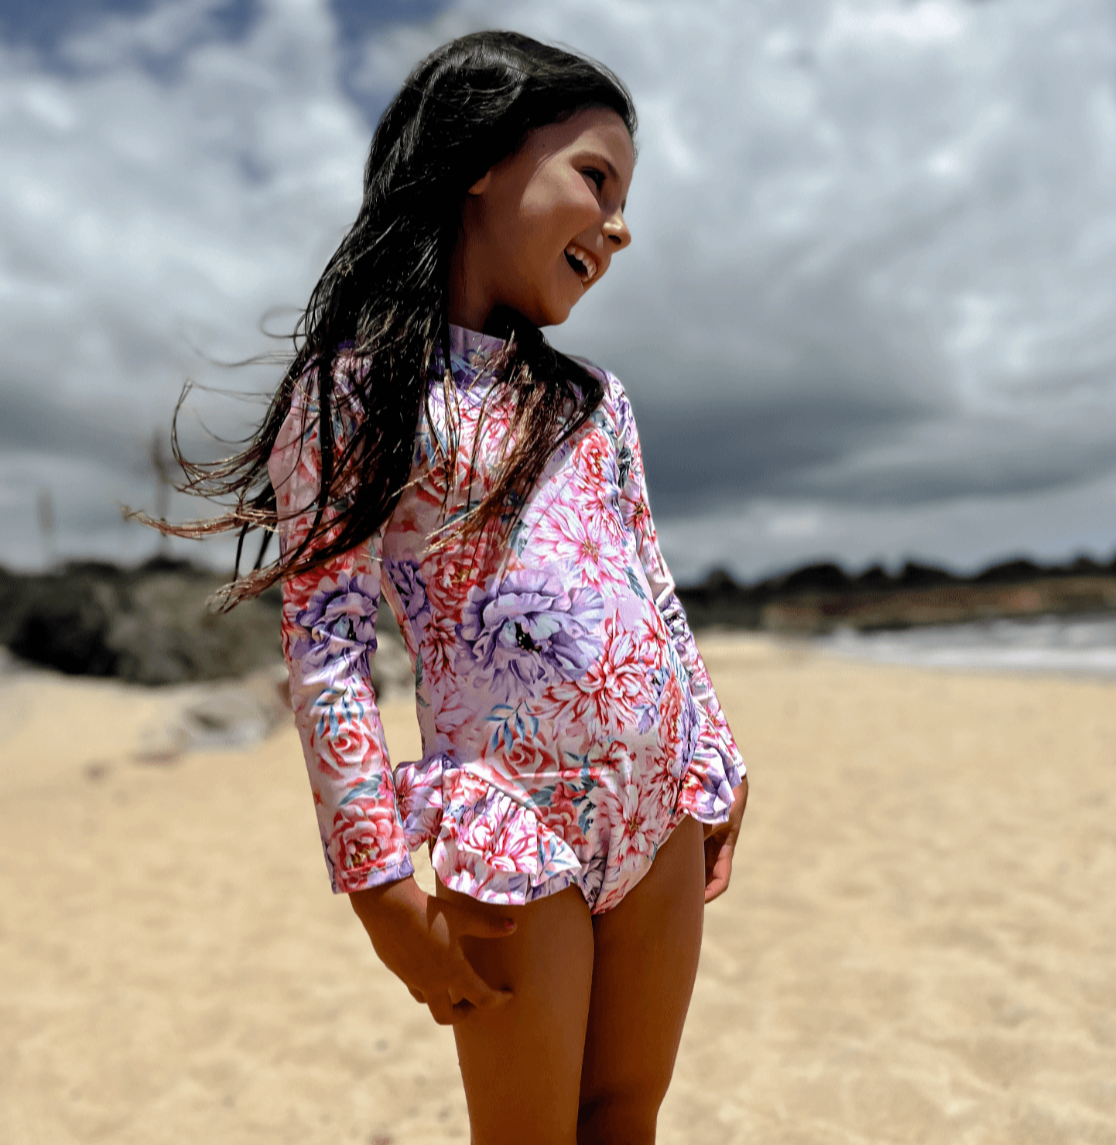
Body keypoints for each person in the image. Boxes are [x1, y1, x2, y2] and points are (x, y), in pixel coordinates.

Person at [172, 30, 747, 1145]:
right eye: (597, 179)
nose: (620, 226)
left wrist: (718, 755)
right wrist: (379, 875)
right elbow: (327, 643)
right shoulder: (356, 394)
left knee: (628, 1113)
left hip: (662, 803)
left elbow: (655, 588)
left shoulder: (594, 400)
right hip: (512, 823)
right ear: (480, 156)